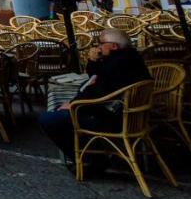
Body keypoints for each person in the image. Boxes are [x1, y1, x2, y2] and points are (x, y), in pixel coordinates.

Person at [39, 29, 150, 175]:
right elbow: (98, 78)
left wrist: (74, 104)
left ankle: (91, 159)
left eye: (101, 44)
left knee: (49, 119)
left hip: (115, 118)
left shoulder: (118, 64)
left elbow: (99, 91)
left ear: (114, 46)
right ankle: (93, 152)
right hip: (131, 115)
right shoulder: (129, 58)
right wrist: (93, 61)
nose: (98, 47)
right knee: (61, 112)